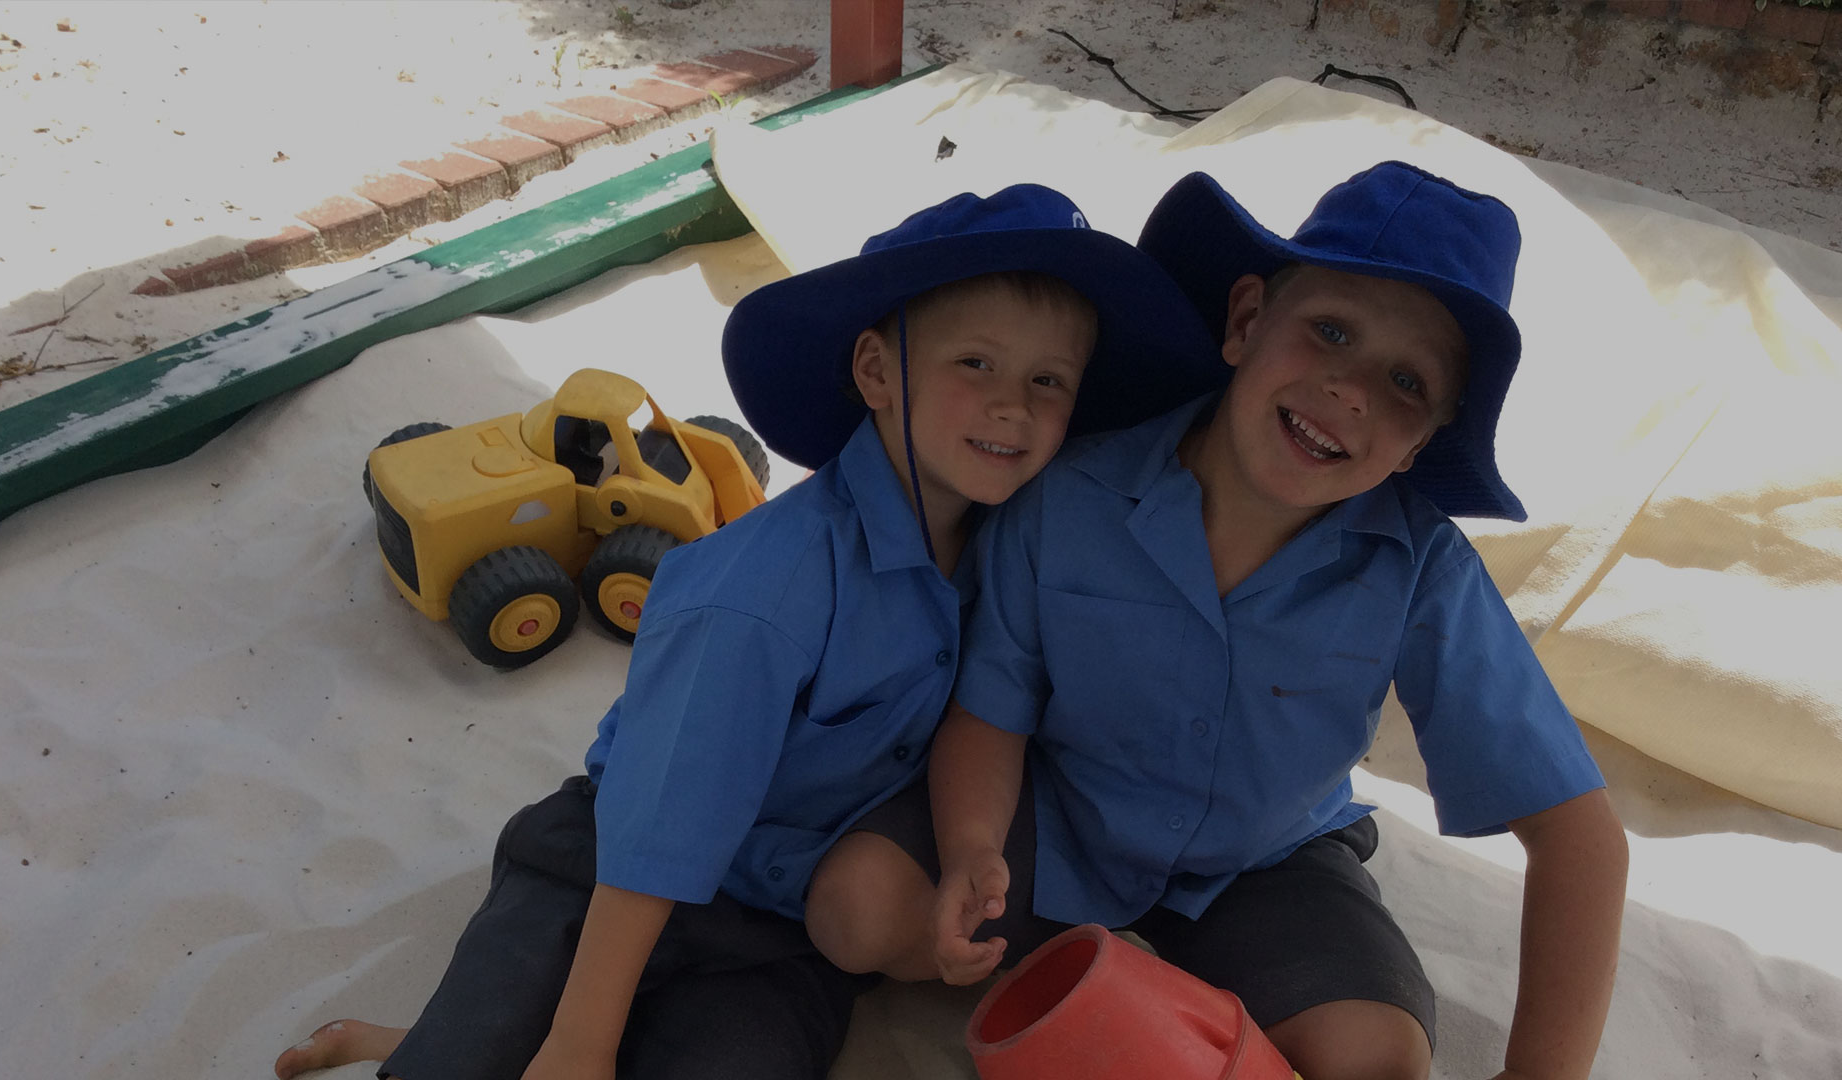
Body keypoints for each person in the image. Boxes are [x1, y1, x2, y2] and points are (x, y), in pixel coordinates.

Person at [271, 183, 1211, 1080]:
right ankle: (425, 1041)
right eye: (976, 362)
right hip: (608, 864)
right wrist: (581, 1047)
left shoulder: (1014, 547)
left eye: (1050, 379)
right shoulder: (765, 590)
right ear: (878, 371)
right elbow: (667, 811)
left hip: (781, 913)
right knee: (507, 1056)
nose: (1016, 405)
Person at [804, 162, 1631, 1080]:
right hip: (1060, 817)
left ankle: (1150, 998)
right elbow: (993, 709)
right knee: (856, 908)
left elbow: (1580, 838)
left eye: (1404, 380)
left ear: (1420, 444)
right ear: (1245, 322)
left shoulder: (1423, 569)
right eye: (1329, 330)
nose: (1349, 390)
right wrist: (969, 851)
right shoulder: (1070, 492)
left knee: (1376, 1062)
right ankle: (1119, 988)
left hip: (1265, 863)